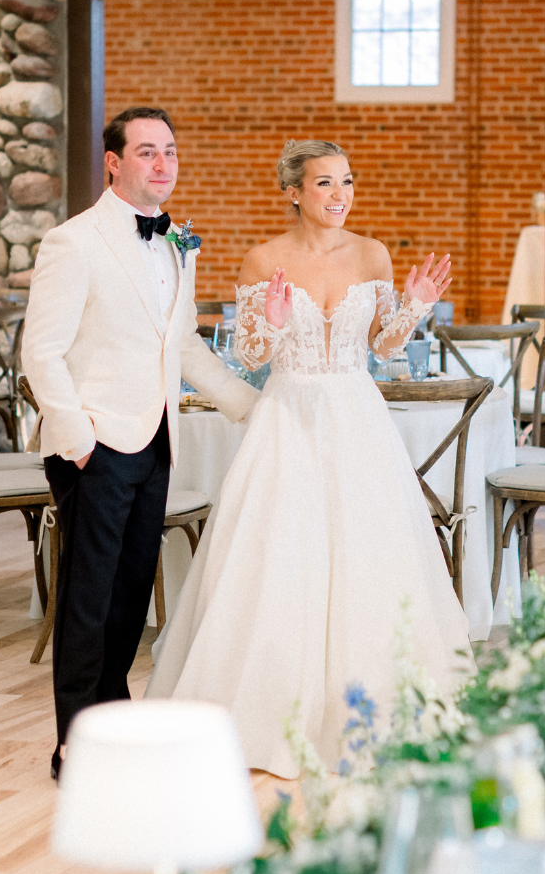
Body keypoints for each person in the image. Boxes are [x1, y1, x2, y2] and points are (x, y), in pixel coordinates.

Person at [146, 139, 474, 778]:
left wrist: (414, 306)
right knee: (278, 555)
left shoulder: (373, 253)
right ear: (293, 191)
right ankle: (262, 713)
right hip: (287, 419)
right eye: (325, 184)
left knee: (369, 554)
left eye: (347, 182)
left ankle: (374, 710)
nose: (340, 196)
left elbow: (383, 346)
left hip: (356, 417)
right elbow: (251, 356)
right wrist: (266, 319)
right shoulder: (263, 258)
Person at [21, 106, 261, 780]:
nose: (163, 164)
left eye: (171, 152)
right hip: (95, 444)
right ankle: (73, 739)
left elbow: (181, 346)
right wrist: (77, 438)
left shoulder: (174, 245)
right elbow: (41, 351)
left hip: (156, 442)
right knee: (87, 596)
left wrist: (252, 406)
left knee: (129, 593)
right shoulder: (74, 242)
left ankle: (111, 718)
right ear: (115, 163)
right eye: (148, 152)